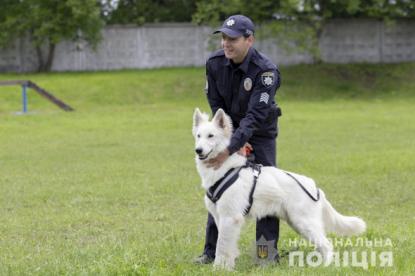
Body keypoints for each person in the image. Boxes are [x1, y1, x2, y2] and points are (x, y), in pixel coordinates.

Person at [194, 14, 282, 264]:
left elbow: (255, 116)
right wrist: (230, 141)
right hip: (227, 133)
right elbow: (216, 105)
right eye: (223, 37)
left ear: (249, 40)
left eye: (232, 39)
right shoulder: (214, 63)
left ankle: (266, 256)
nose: (226, 43)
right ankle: (211, 254)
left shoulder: (265, 71)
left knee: (267, 192)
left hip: (261, 133)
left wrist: (237, 143)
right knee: (219, 189)